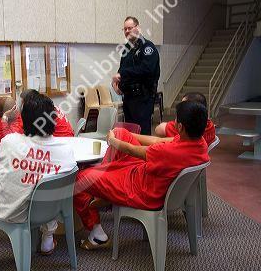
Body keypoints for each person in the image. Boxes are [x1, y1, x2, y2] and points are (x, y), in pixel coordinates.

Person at [74, 100, 209, 250]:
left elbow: (131, 150)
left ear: (180, 127)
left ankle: (97, 236)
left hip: (140, 190)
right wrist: (123, 135)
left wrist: (112, 140)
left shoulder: (169, 153)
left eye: (176, 120)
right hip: (151, 176)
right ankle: (104, 195)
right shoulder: (200, 142)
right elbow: (157, 140)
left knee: (79, 178)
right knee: (121, 133)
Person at [0, 92, 77, 254]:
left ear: (23, 119)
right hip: (48, 211)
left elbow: (0, 161)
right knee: (49, 192)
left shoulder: (10, 143)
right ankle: (47, 240)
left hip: (13, 212)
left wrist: (4, 118)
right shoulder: (66, 149)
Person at [112, 16, 160, 135]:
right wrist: (117, 84)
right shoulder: (126, 49)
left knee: (142, 134)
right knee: (130, 134)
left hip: (142, 98)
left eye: (130, 28)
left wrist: (122, 74)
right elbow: (121, 70)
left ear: (137, 28)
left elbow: (146, 70)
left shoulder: (147, 47)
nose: (127, 31)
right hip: (128, 98)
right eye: (125, 29)